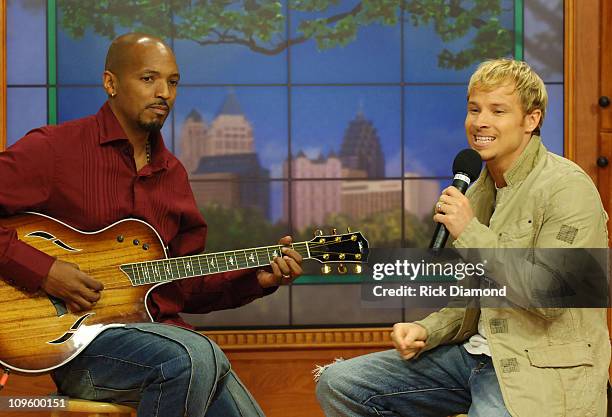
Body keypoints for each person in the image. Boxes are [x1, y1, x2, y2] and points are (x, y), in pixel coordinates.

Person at [0, 33, 304, 416]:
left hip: (170, 346)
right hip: (78, 351)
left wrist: (258, 280)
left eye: (172, 82)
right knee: (194, 356)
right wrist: (44, 271)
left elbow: (183, 288)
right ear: (111, 83)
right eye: (148, 79)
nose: (164, 93)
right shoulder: (55, 149)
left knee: (199, 359)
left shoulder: (173, 175)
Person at [316, 59, 610, 417]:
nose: (480, 121)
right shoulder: (476, 190)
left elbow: (552, 296)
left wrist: (470, 231)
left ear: (531, 120)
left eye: (497, 110)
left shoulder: (567, 187)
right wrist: (427, 329)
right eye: (474, 109)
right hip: (475, 355)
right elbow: (473, 298)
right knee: (341, 383)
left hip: (538, 366)